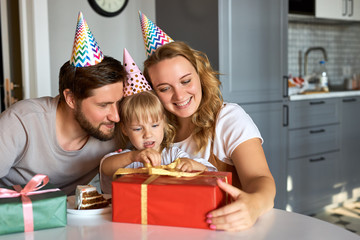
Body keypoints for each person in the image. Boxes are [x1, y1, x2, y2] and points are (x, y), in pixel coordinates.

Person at [137, 11, 275, 232]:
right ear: (153, 93)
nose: (179, 95)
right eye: (164, 88)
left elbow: (261, 180)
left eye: (185, 81)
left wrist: (255, 204)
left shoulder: (228, 118)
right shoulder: (153, 132)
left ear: (200, 76)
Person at [0, 12, 126, 195]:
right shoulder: (21, 121)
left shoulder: (120, 128)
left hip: (66, 217)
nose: (116, 116)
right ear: (71, 99)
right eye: (103, 105)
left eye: (119, 102)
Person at [100, 49, 215, 194]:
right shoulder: (129, 158)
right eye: (137, 129)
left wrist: (191, 164)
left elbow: (211, 172)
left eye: (154, 125)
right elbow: (105, 166)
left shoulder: (172, 155)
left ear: (165, 123)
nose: (147, 135)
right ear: (124, 129)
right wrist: (133, 156)